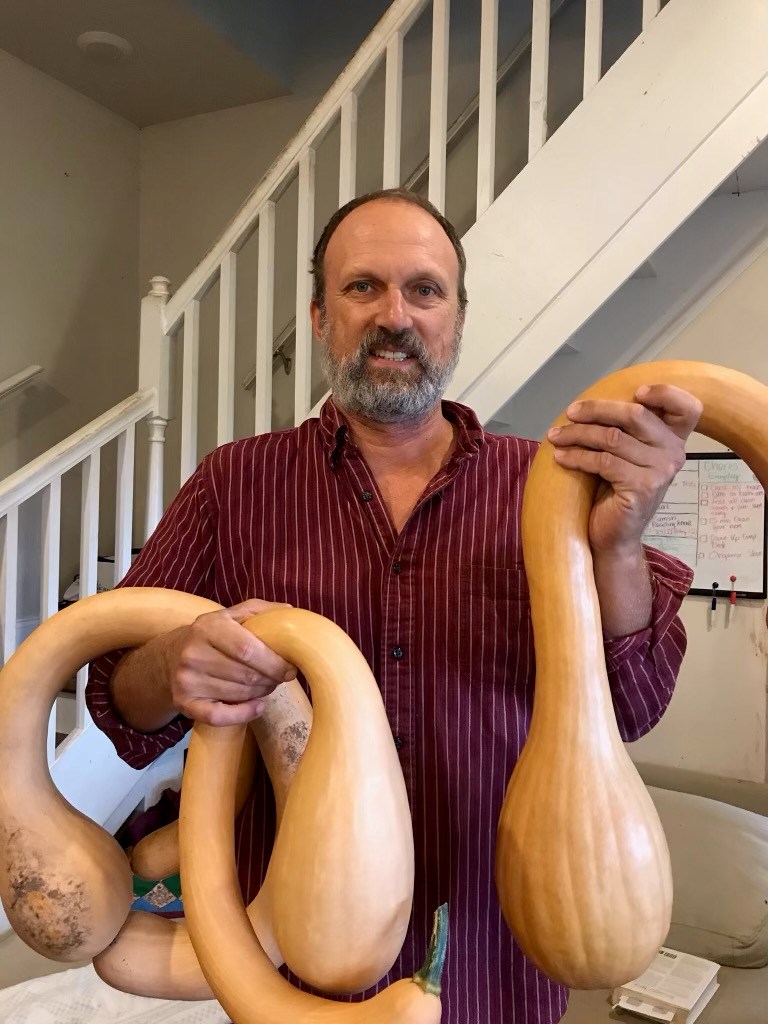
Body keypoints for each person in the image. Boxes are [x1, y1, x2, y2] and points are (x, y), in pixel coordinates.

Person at [87, 187, 698, 1023]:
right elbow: (118, 702)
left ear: (457, 318)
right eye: (362, 287)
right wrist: (173, 662)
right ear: (320, 319)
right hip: (295, 962)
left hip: (498, 955)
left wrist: (619, 548)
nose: (394, 315)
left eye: (424, 290)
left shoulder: (551, 484)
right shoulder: (235, 484)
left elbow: (633, 709)